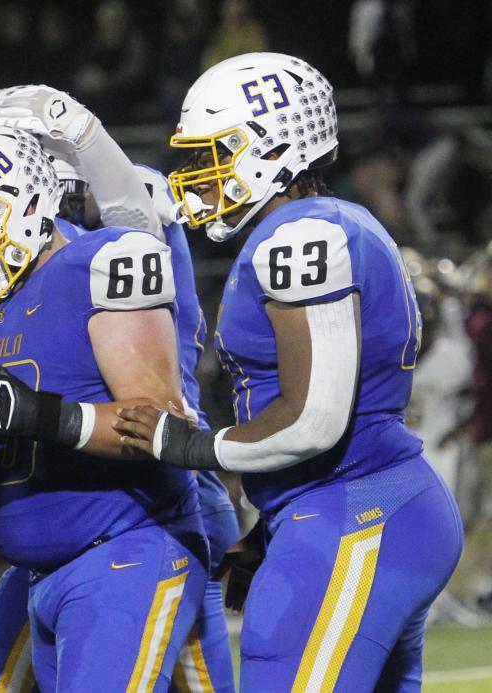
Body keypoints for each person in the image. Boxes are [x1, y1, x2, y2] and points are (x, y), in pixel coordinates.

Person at [116, 52, 463, 690]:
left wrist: (188, 443)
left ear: (272, 149)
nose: (198, 175)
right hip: (364, 506)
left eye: (212, 153)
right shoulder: (331, 223)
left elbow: (314, 420)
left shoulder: (300, 237)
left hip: (353, 512)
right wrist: (268, 527)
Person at [0, 117, 209, 690]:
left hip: (125, 550)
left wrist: (36, 414)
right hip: (30, 570)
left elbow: (165, 422)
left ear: (23, 205)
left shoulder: (100, 263)